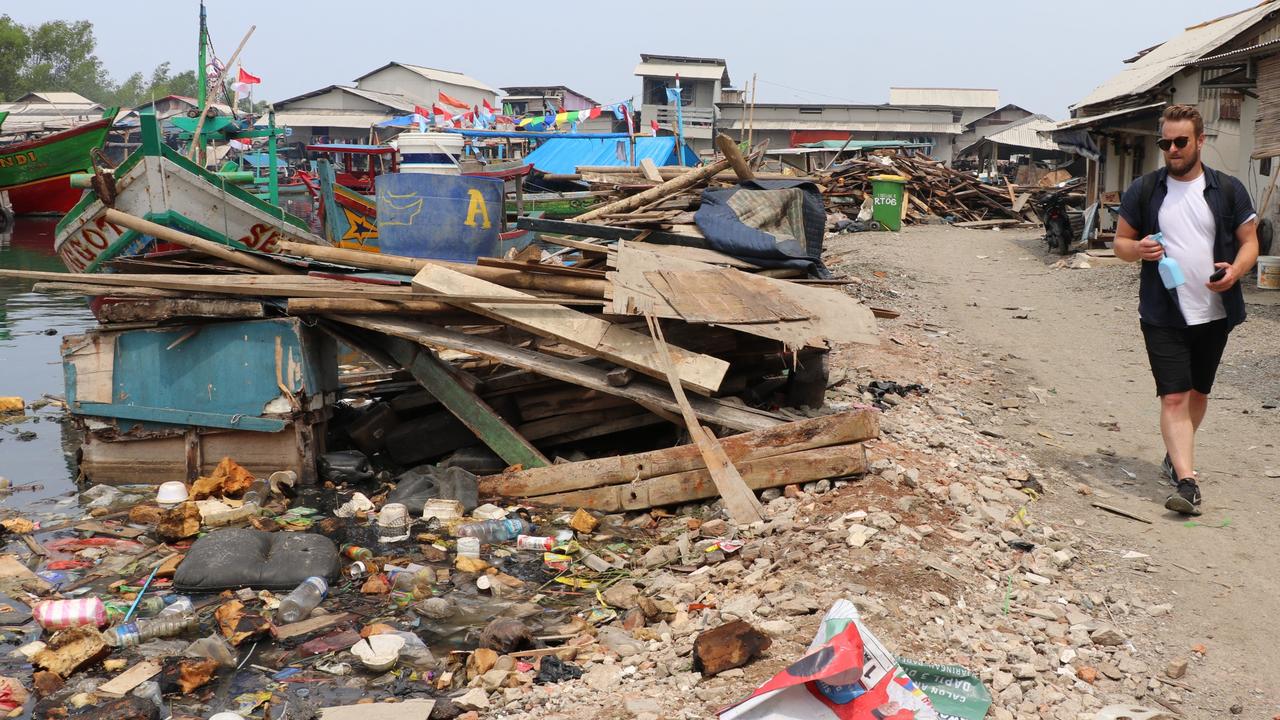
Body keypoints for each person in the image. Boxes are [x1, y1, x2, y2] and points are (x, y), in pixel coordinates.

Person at [1114, 104, 1259, 516]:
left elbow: (1249, 242)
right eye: (1165, 142)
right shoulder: (1145, 190)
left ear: (1200, 141)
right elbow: (1121, 244)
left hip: (1214, 311)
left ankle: (1175, 455)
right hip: (1163, 312)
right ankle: (1187, 482)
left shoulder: (1227, 189)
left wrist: (1237, 271)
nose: (1172, 149)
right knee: (1174, 397)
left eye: (1180, 141)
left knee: (1198, 393)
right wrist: (1137, 249)